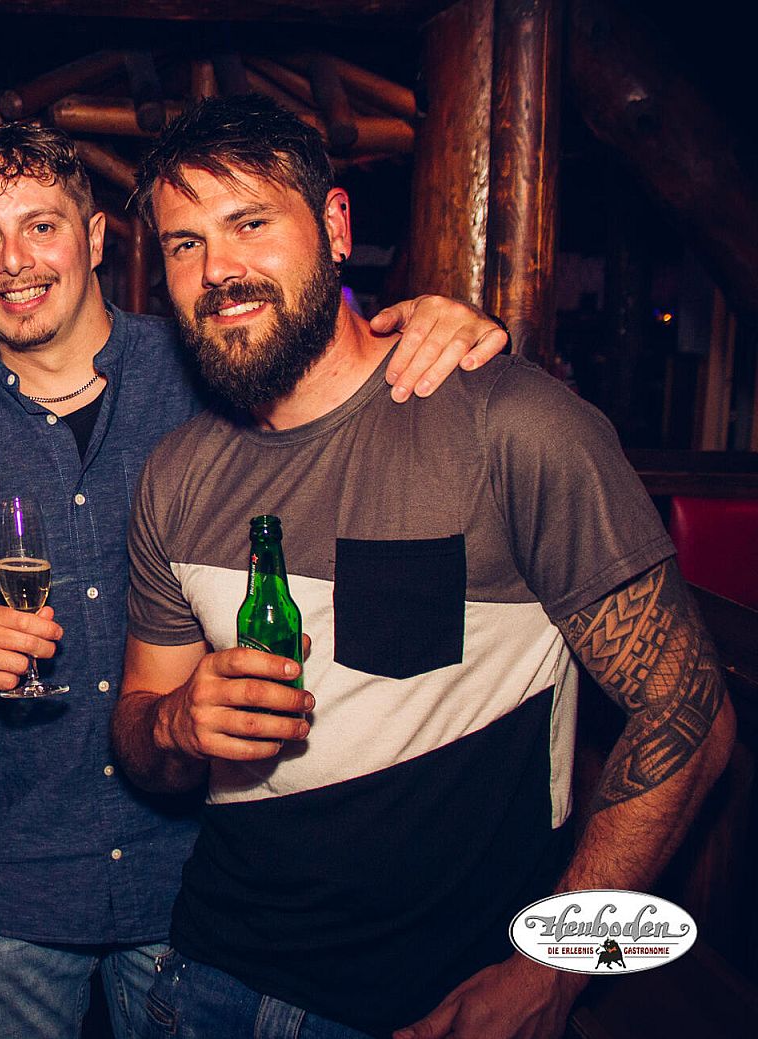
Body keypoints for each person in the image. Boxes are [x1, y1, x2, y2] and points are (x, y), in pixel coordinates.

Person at [0, 123, 507, 1038]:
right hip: (12, 883)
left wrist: (440, 324)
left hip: (198, 886)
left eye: (41, 226)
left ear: (94, 238)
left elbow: (330, 358)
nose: (13, 262)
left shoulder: (213, 367)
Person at [112, 95, 734, 1039]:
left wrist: (552, 974)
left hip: (435, 1006)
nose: (220, 270)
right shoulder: (176, 472)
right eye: (185, 243)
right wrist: (175, 724)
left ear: (335, 226)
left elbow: (691, 717)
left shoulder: (510, 425)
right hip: (204, 980)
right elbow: (138, 734)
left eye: (251, 223)